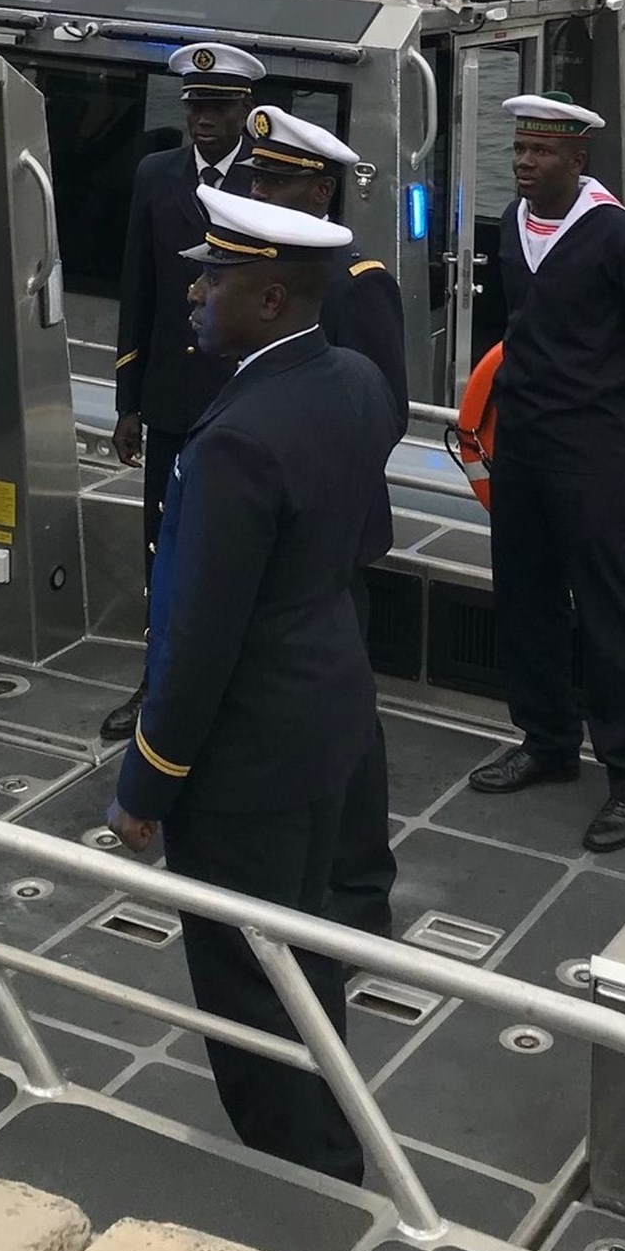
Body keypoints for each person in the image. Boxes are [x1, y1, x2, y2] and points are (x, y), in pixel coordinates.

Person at [104, 188, 400, 1183]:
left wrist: (146, 783)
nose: (193, 293)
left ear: (270, 300)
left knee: (247, 993)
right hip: (329, 722)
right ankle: (337, 1144)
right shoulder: (355, 380)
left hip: (248, 762)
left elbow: (199, 639)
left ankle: (309, 1191)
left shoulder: (234, 441)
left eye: (215, 279)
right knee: (306, 955)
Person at [463, 94, 625, 854]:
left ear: (577, 159)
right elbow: (508, 328)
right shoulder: (512, 226)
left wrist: (612, 397)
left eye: (541, 153)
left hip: (591, 449)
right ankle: (548, 741)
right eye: (519, 150)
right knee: (525, 596)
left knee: (604, 607)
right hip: (522, 443)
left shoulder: (618, 236)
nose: (525, 163)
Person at [244, 106, 408, 937]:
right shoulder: (252, 278)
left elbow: (383, 412)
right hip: (263, 535)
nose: (258, 192)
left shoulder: (355, 284)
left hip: (330, 541)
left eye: (275, 181)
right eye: (256, 178)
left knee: (347, 718)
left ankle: (360, 890)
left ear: (320, 192)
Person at [101, 41, 266, 742]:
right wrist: (128, 401)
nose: (203, 119)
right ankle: (156, 681)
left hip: (242, 403)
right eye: (196, 104)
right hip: (171, 398)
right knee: (161, 549)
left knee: (237, 549)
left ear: (245, 109)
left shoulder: (270, 181)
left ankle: (237, 689)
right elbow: (138, 285)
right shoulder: (155, 174)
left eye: (219, 106)